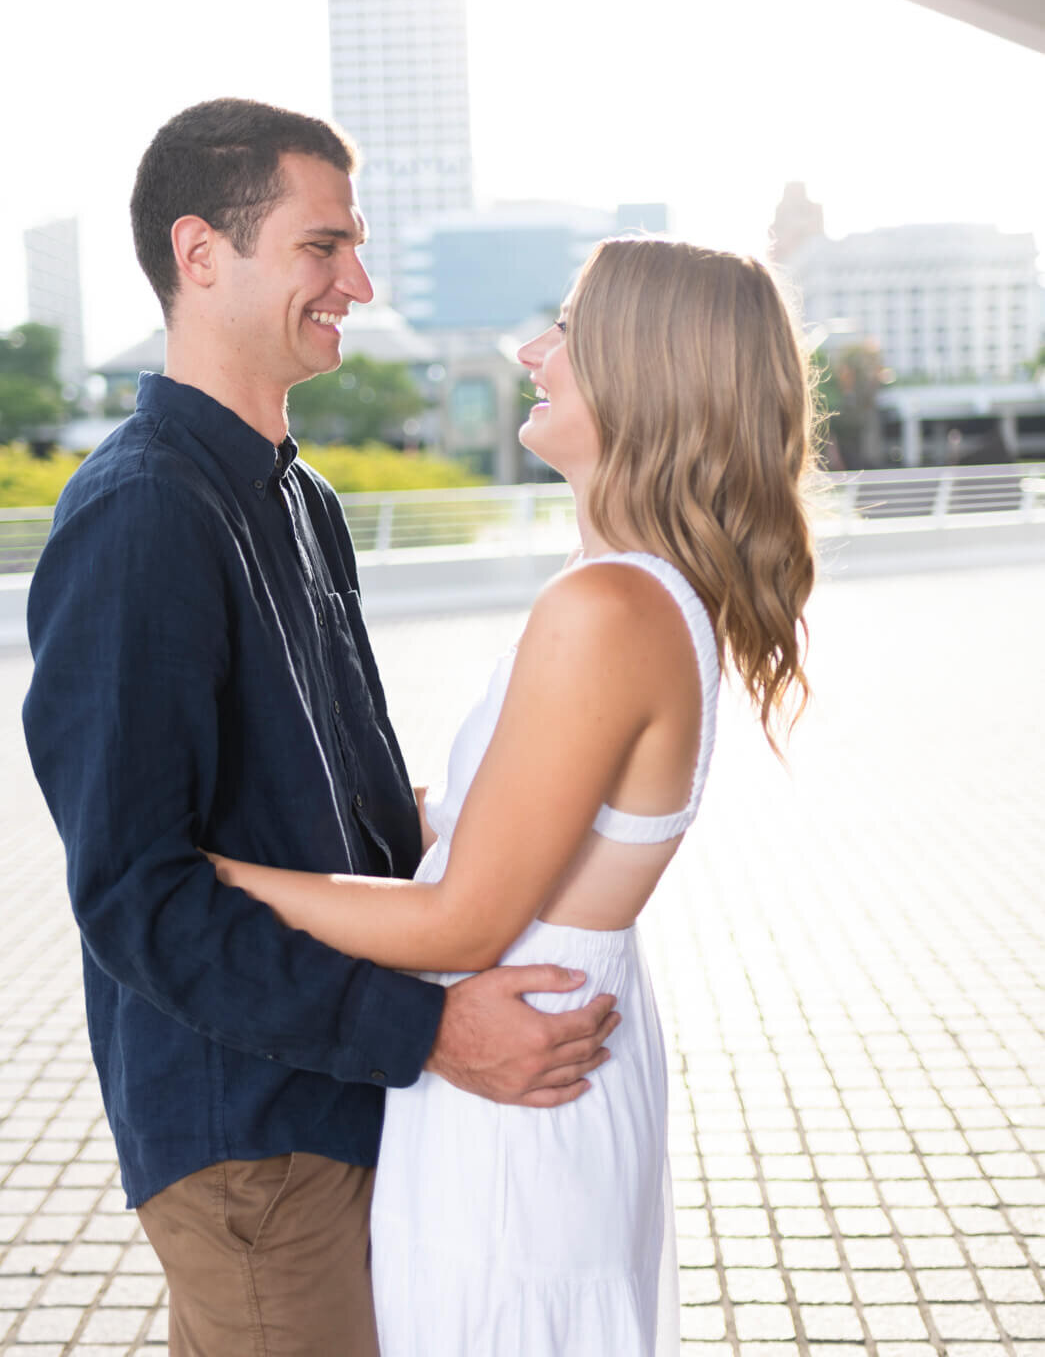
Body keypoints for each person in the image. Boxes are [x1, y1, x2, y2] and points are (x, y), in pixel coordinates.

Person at [21, 98, 620, 1357]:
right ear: (201, 254)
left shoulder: (303, 501)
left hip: (348, 1101)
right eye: (322, 246)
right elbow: (135, 893)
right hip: (253, 1136)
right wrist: (435, 1030)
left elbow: (351, 806)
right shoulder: (139, 517)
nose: (357, 279)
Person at [207, 235, 818, 1356]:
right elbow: (470, 829)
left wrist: (210, 876)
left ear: (651, 367)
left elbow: (464, 918)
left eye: (571, 328)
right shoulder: (632, 599)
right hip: (535, 1054)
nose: (535, 350)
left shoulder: (609, 613)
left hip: (520, 1073)